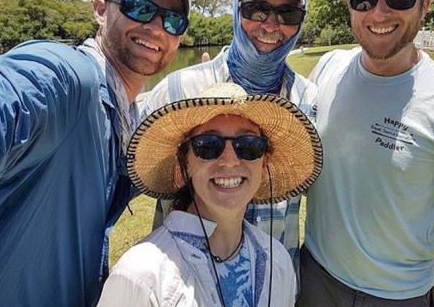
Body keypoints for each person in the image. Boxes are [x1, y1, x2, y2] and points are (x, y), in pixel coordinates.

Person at [0, 0, 190, 306]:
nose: (157, 27)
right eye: (139, 7)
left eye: (172, 20)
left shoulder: (123, 115)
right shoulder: (69, 80)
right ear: (101, 10)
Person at [297, 0, 434, 306]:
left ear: (426, 2)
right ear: (349, 4)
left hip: (399, 296)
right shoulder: (327, 67)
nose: (379, 13)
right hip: (314, 277)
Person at [143, 0, 316, 267]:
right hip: (183, 283)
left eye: (287, 13)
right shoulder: (180, 89)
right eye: (257, 9)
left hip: (274, 285)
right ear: (237, 10)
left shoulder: (309, 99)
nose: (271, 24)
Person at [97, 83, 323, 306]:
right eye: (207, 145)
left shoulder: (279, 262)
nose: (230, 160)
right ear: (185, 162)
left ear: (264, 162)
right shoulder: (142, 276)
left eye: (248, 145)